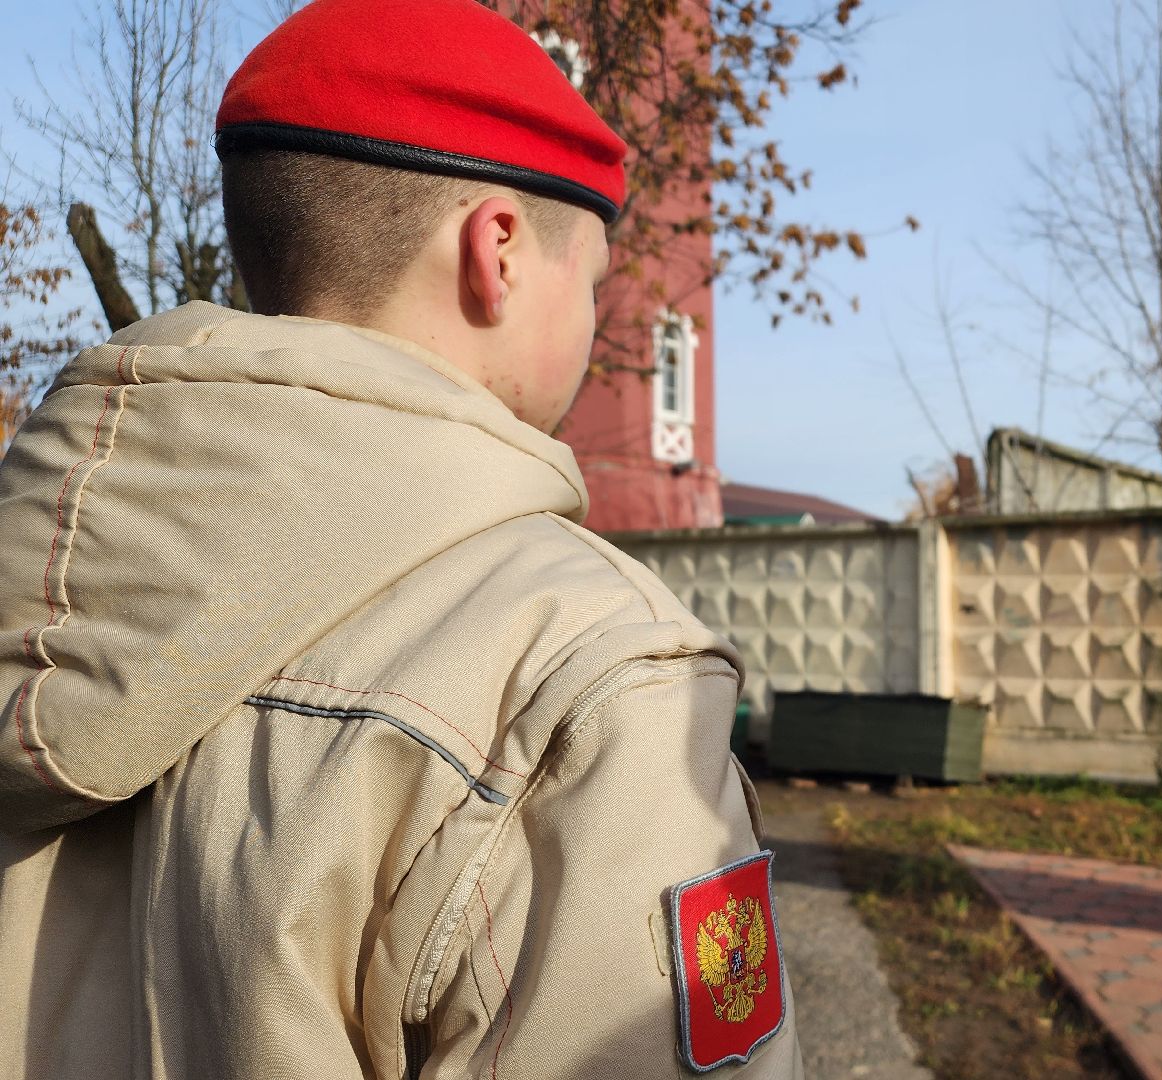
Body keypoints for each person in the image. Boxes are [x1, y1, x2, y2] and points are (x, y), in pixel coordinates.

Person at [0, 1, 800, 1076]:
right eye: (596, 280)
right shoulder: (590, 671)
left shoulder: (45, 563)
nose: (598, 321)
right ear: (499, 251)